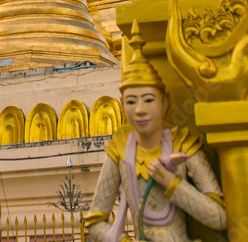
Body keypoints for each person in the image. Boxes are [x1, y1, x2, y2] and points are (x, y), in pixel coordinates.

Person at [84, 22, 227, 242]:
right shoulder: (120, 151)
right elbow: (95, 220)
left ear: (164, 102)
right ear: (122, 106)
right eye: (131, 102)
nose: (140, 110)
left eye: (148, 100)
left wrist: (171, 182)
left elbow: (219, 218)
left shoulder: (184, 146)